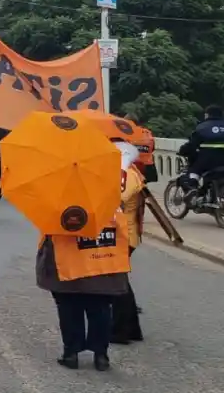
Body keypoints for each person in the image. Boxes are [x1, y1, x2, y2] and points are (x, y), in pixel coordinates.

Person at [37, 208, 130, 371]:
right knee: (101, 309)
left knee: (69, 308)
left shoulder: (58, 203)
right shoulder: (108, 202)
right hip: (102, 264)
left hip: (68, 266)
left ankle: (71, 353)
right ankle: (101, 355)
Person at [111, 142, 145, 345]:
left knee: (117, 283)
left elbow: (118, 198)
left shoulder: (127, 174)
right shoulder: (128, 171)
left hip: (124, 235)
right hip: (123, 234)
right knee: (120, 281)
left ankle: (121, 330)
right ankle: (131, 329)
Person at [179, 104, 224, 206]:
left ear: (207, 115)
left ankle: (192, 189)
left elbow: (191, 145)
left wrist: (183, 151)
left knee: (194, 171)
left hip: (208, 160)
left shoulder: (203, 127)